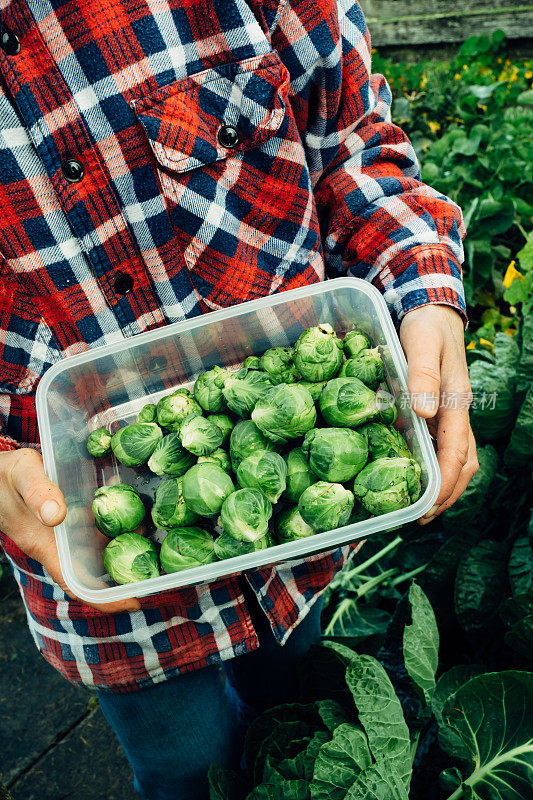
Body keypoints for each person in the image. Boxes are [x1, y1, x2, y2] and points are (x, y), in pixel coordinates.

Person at [0, 0, 478, 797]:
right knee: (186, 768)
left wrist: (423, 289)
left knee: (297, 707)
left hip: (298, 552)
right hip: (103, 587)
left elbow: (354, 147)